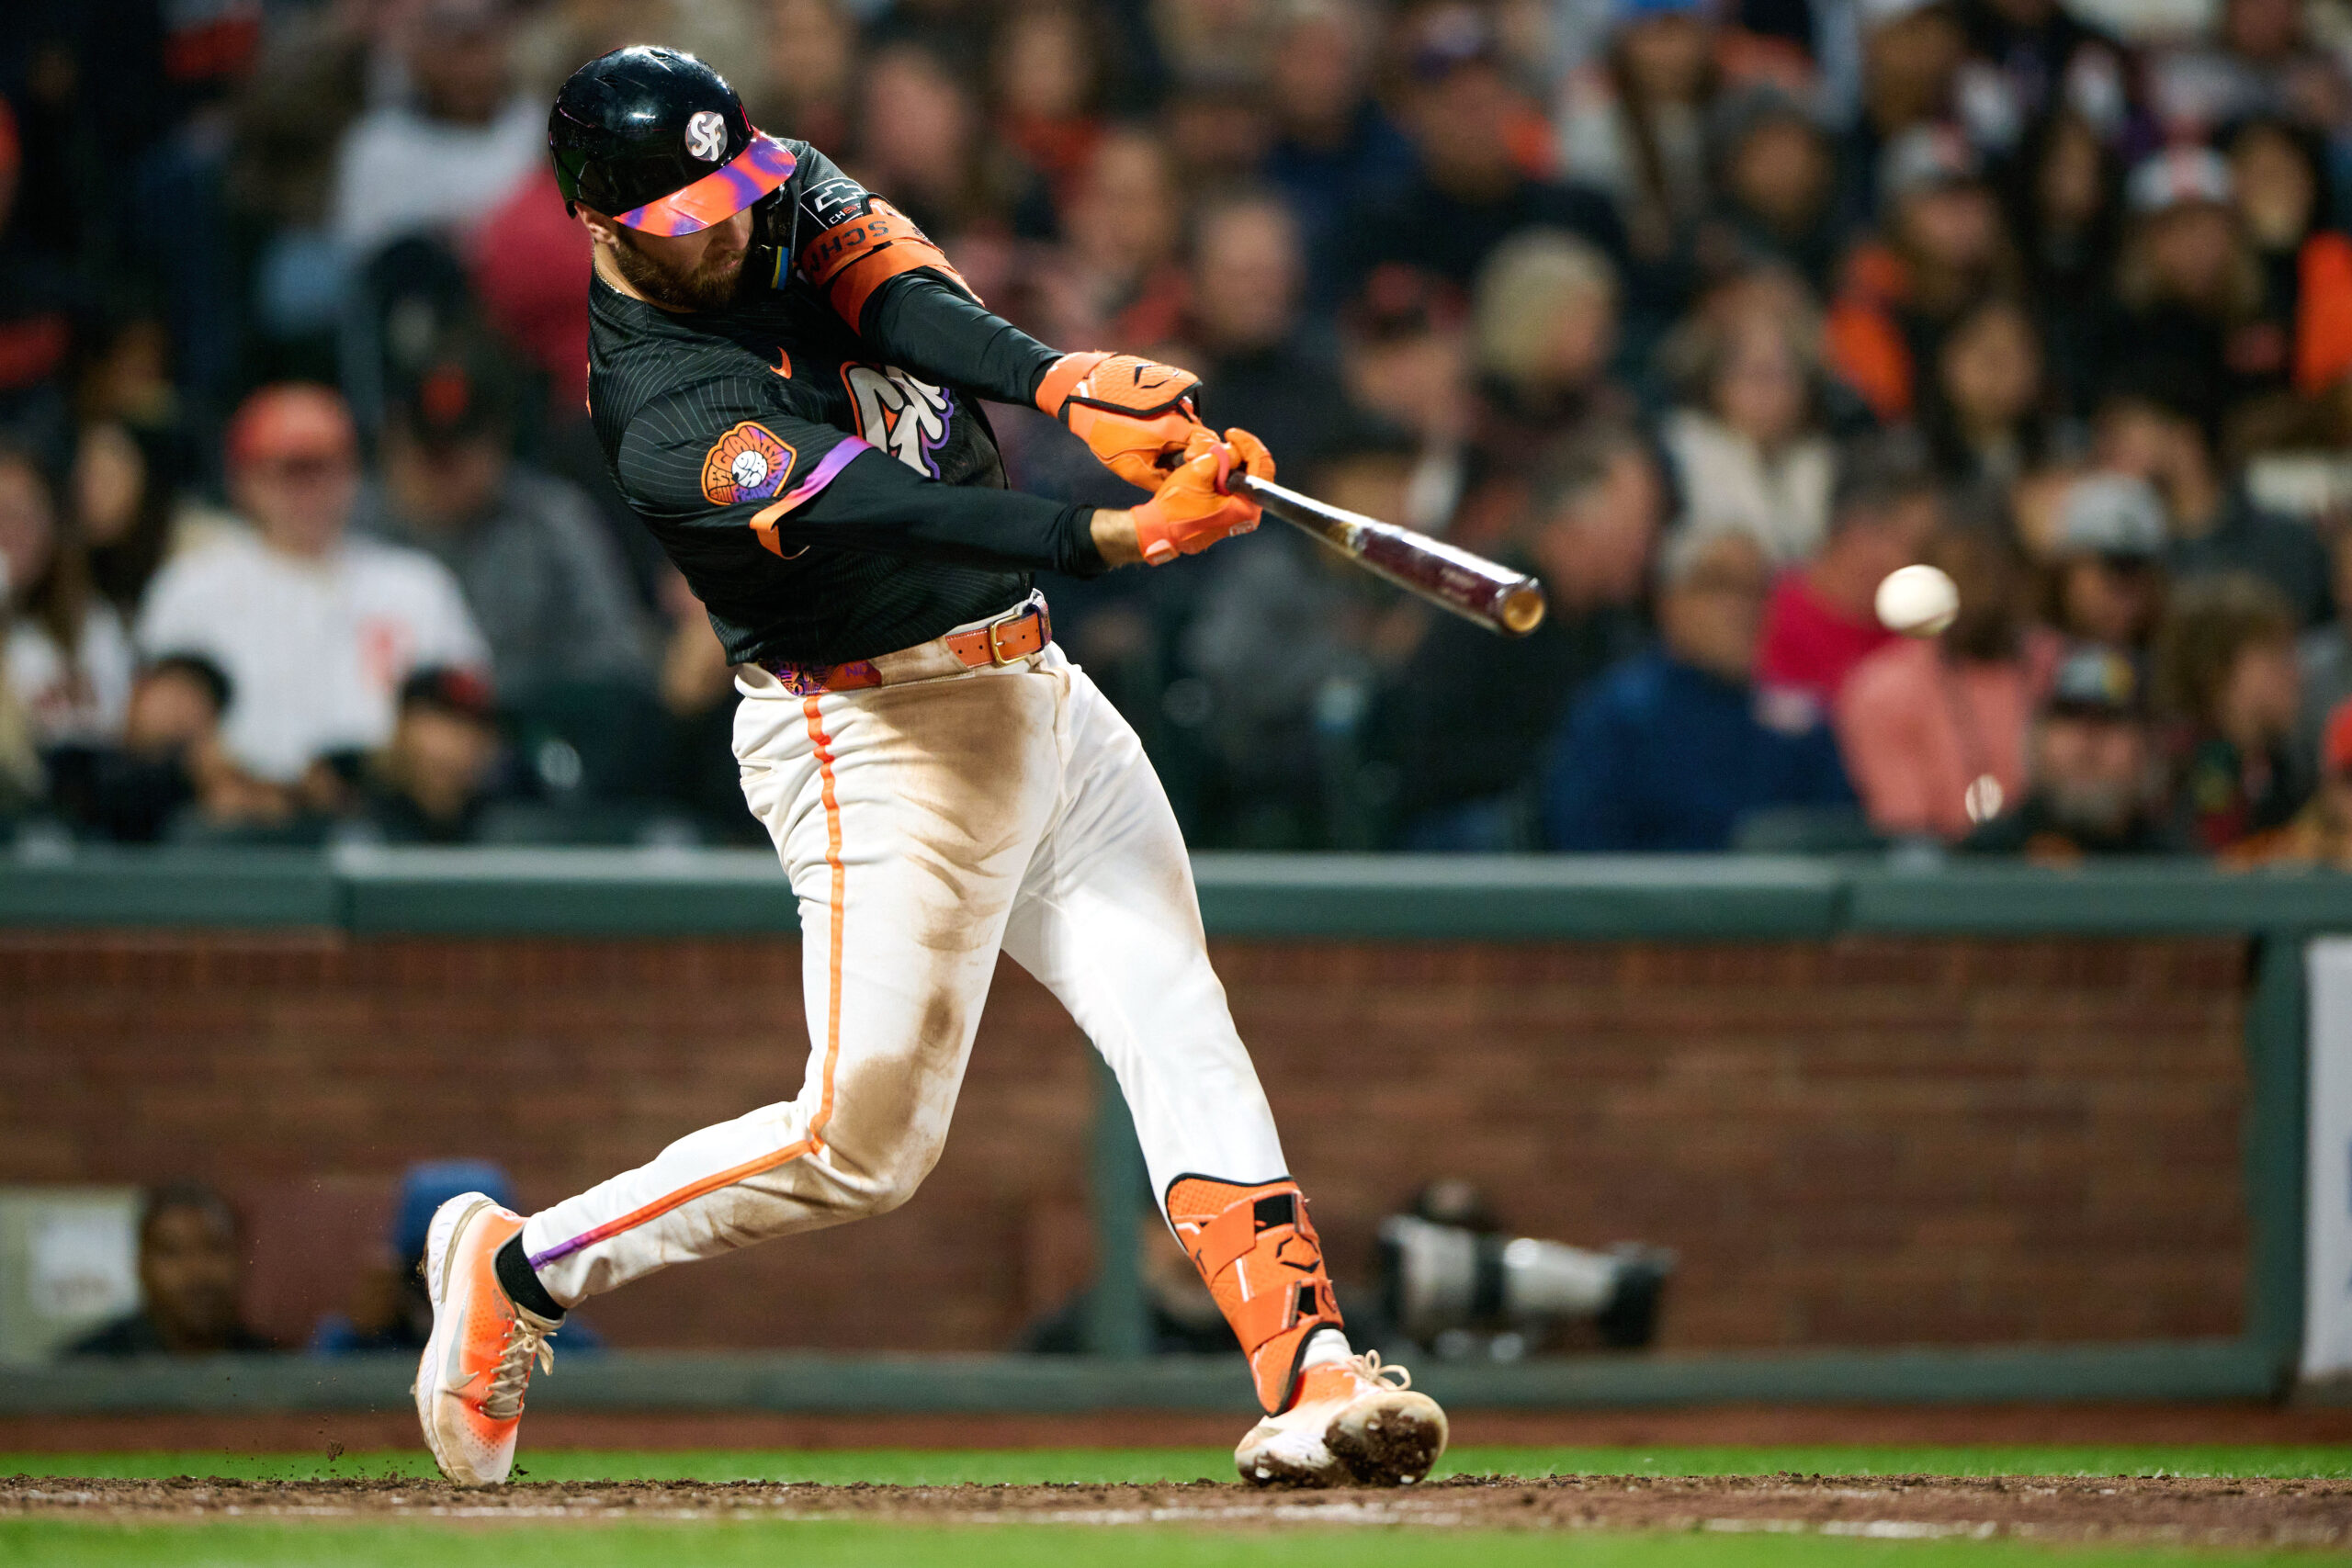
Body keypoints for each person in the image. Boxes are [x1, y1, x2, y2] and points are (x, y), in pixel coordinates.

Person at [411, 47, 1448, 1494]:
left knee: (1174, 1008)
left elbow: (902, 300)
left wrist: (1065, 382)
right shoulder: (665, 409)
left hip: (1030, 683)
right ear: (600, 222)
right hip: (876, 731)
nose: (725, 223)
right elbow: (894, 509)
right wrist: (1111, 535)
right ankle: (523, 1265)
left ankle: (1311, 1370)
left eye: (733, 189)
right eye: (683, 216)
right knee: (865, 1145)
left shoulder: (776, 185)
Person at [134, 385, 489, 788]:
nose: (309, 492)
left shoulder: (416, 584)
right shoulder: (192, 585)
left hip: (384, 802)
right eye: (289, 472)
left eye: (324, 469)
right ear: (244, 479)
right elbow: (154, 729)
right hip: (239, 808)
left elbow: (468, 716)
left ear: (353, 473)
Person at [1371, 425, 1663, 850]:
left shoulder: (1609, 627)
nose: (1646, 544)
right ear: (1576, 524)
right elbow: (1423, 750)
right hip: (1465, 835)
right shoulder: (1484, 604)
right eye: (1636, 522)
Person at [355, 342, 652, 701]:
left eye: (460, 452)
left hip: (533, 719)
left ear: (499, 443)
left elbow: (619, 659)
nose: (444, 470)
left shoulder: (550, 520)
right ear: (392, 442)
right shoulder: (351, 526)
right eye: (429, 452)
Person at [1542, 529, 1853, 850]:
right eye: (1718, 585)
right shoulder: (1618, 718)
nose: (1740, 608)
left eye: (1755, 590)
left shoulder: (1800, 726)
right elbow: (1585, 849)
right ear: (1669, 600)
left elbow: (1838, 839)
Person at [1835, 523, 2054, 840]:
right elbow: (1908, 832)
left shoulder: (2060, 668)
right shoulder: (1882, 689)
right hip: (1943, 862)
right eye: (1951, 577)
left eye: (1983, 572)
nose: (1973, 594)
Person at [2092, 381, 2329, 627]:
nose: (2105, 454)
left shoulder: (2284, 538)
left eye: (2122, 436)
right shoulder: (2131, 555)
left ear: (2183, 437)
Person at [1755, 432, 1943, 706]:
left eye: (1927, 553)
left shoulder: (1917, 641)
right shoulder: (1764, 616)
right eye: (1907, 544)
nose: (1921, 569)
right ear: (1856, 528)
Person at [1660, 277, 1837, 565]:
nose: (1766, 392)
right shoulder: (1678, 450)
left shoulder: (1817, 461)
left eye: (1781, 375)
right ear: (1717, 383)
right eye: (1753, 374)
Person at [1962, 646, 2177, 859]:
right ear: (2036, 739)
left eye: (2111, 720)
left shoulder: (2173, 867)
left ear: (2147, 747)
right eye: (2070, 717)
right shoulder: (1984, 858)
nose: (2088, 739)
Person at [2154, 571, 2307, 852]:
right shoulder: (2173, 776)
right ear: (2218, 672)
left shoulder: (2284, 772)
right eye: (2276, 656)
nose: (2295, 675)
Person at [0, 443, 133, 752]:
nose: (13, 531)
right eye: (2, 515)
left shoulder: (93, 620)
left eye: (28, 514)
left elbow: (117, 729)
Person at [66, 1183, 277, 1357]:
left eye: (216, 1248)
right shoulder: (85, 1369)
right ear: (141, 1265)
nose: (197, 1270)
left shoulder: (273, 1368)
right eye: (172, 1251)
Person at [2035, 472, 2168, 659]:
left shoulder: (2169, 659)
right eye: (2116, 567)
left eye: (2141, 570)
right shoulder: (2028, 659)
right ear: (2067, 570)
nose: (2128, 589)